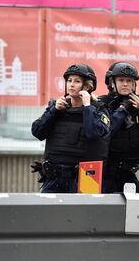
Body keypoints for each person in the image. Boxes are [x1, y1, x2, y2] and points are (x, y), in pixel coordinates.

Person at [31, 64, 111, 193]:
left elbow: (93, 134)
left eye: (77, 81)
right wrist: (54, 110)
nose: (71, 85)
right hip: (54, 177)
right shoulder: (57, 108)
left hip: (86, 176)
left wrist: (87, 107)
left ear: (87, 86)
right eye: (69, 80)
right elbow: (37, 132)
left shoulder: (99, 110)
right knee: (49, 212)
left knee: (84, 213)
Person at [99, 62, 139, 193]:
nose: (125, 84)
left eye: (129, 81)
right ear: (112, 83)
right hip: (105, 173)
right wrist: (123, 108)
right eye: (121, 80)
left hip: (128, 173)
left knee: (136, 208)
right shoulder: (102, 104)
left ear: (134, 84)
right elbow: (105, 132)